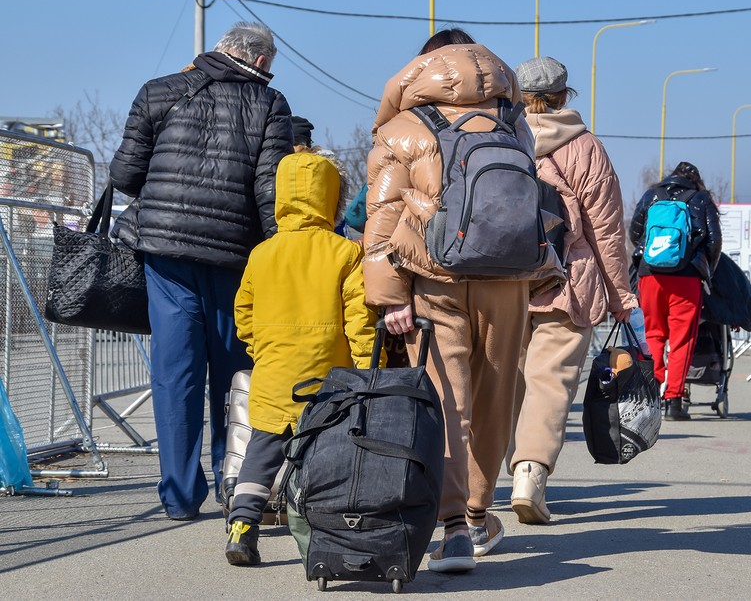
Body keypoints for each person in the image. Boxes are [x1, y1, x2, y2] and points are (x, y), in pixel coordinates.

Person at [363, 28, 558, 573]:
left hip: (435, 282)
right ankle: (477, 513)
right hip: (508, 280)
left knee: (446, 402)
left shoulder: (403, 128)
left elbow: (382, 219)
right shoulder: (514, 122)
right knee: (496, 400)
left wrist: (389, 298)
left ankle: (451, 530)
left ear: (421, 69)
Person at [109, 22, 293, 520]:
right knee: (235, 374)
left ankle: (179, 496)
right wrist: (278, 255)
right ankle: (233, 483)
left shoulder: (159, 90)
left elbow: (125, 175)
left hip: (166, 253)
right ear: (260, 62)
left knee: (176, 374)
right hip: (235, 257)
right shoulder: (270, 104)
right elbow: (270, 191)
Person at [224, 150, 376, 565]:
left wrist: (261, 351)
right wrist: (368, 371)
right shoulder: (345, 253)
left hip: (273, 375)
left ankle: (242, 524)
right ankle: (324, 532)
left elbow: (244, 315)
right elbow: (359, 322)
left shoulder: (262, 253)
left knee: (260, 454)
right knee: (328, 455)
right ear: (331, 198)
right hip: (327, 382)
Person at [506, 57, 637, 524]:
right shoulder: (585, 148)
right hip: (566, 279)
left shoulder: (499, 138)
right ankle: (530, 474)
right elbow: (606, 230)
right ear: (565, 96)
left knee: (504, 384)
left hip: (502, 281)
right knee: (551, 382)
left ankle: (480, 486)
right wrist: (620, 295)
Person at [629, 162, 722, 420]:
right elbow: (714, 240)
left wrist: (653, 254)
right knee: (682, 340)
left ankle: (651, 396)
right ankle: (674, 401)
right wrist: (706, 268)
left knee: (653, 334)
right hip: (686, 277)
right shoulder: (700, 199)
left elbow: (635, 232)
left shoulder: (652, 195)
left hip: (651, 275)